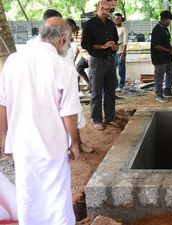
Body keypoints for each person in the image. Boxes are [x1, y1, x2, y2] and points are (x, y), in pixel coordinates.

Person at [0, 17, 80, 225]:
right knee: (56, 197)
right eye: (69, 40)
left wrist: (5, 136)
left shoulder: (13, 60)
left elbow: (3, 104)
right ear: (62, 38)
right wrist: (75, 143)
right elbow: (69, 113)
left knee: (28, 196)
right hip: (51, 143)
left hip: (22, 143)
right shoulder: (63, 66)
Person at [82, 0, 119, 131]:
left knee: (110, 91)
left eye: (108, 10)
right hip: (96, 60)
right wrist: (103, 46)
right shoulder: (89, 24)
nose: (105, 12)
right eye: (103, 8)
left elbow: (116, 40)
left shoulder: (111, 24)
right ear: (98, 7)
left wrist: (114, 46)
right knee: (97, 91)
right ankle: (97, 119)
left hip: (110, 60)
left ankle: (109, 118)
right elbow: (85, 44)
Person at [65, 18, 94, 154]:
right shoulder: (67, 40)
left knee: (73, 116)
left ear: (71, 26)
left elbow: (85, 45)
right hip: (83, 57)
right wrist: (75, 58)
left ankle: (78, 144)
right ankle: (71, 146)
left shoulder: (80, 33)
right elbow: (76, 49)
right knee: (79, 69)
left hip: (90, 57)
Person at [150, 10, 172, 103]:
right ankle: (159, 94)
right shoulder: (157, 29)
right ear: (165, 19)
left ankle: (167, 90)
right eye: (169, 20)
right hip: (159, 58)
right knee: (159, 77)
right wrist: (169, 51)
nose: (170, 22)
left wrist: (171, 50)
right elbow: (156, 45)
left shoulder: (165, 29)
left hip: (168, 58)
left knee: (171, 73)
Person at [113, 13, 128, 92]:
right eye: (116, 18)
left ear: (122, 19)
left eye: (119, 18)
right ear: (113, 19)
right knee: (112, 69)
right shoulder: (112, 28)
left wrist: (123, 54)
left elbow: (125, 42)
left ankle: (121, 86)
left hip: (121, 51)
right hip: (113, 52)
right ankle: (115, 85)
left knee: (121, 69)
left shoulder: (124, 28)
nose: (118, 20)